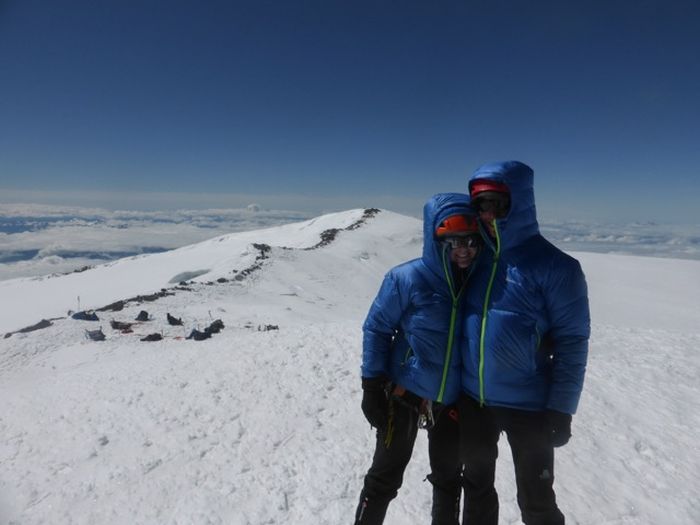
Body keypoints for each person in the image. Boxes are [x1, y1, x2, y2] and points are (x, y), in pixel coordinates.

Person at [458, 161, 590, 525]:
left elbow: (572, 341)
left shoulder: (557, 267)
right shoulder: (474, 260)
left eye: (495, 203)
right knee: (477, 490)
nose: (486, 214)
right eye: (479, 205)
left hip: (530, 406)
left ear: (519, 202)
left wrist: (562, 408)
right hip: (475, 401)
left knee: (537, 500)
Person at [356, 193, 483, 525]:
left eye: (470, 239)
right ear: (436, 239)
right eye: (453, 241)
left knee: (448, 479)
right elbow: (377, 328)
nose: (464, 248)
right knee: (385, 475)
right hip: (404, 393)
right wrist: (371, 386)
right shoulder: (407, 278)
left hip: (454, 397)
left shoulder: (479, 283)